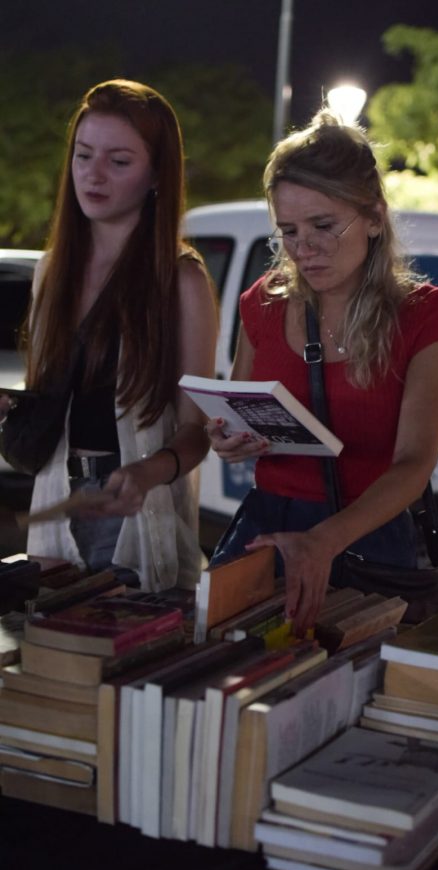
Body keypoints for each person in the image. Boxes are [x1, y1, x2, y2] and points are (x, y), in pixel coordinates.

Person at [206, 109, 438, 635]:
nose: (304, 249)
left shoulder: (424, 314)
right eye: (288, 231)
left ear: (374, 218)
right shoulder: (262, 304)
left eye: (323, 226)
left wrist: (323, 541)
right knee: (232, 664)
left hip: (368, 536)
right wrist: (228, 438)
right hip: (269, 529)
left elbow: (414, 464)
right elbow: (240, 409)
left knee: (351, 673)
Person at [0, 79, 218, 592]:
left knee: (135, 633)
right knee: (47, 636)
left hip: (137, 513)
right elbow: (52, 402)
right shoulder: (52, 271)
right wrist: (13, 407)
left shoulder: (180, 279)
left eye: (118, 161)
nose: (93, 174)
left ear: (157, 174)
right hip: (57, 501)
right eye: (83, 155)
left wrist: (149, 472)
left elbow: (197, 431)